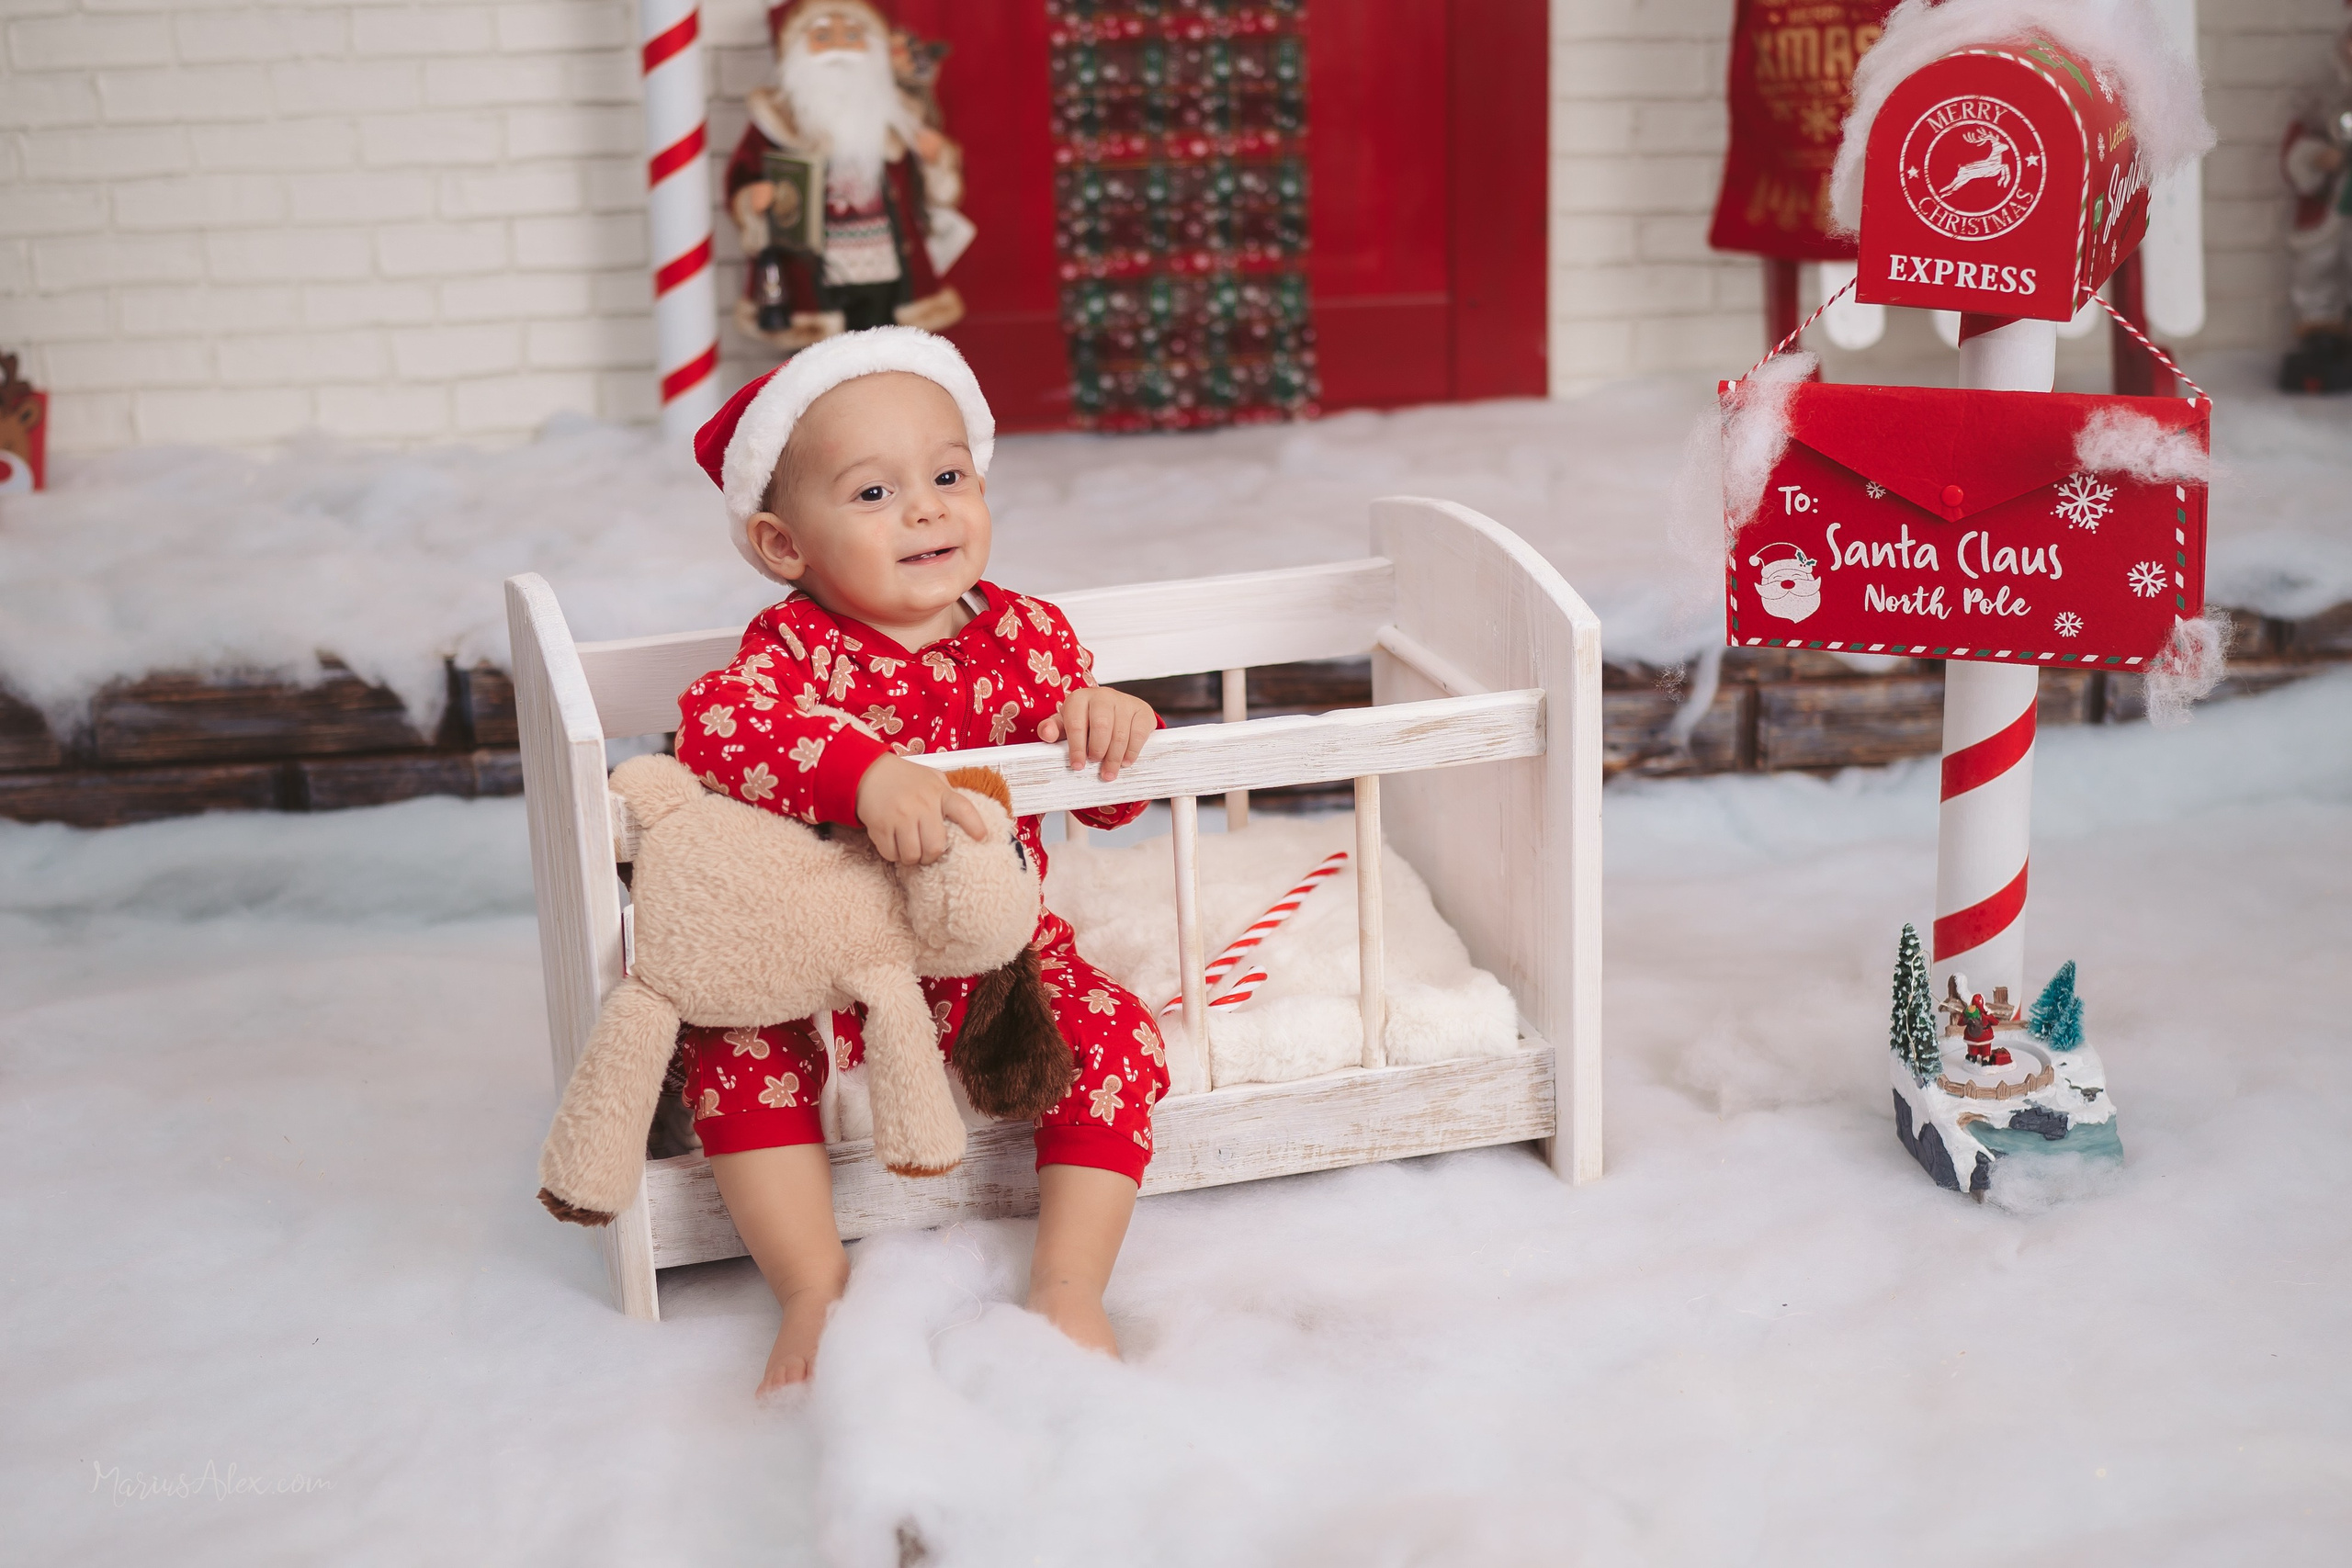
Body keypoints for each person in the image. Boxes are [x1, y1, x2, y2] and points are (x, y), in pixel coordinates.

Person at [673, 328, 1167, 1395]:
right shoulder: (793, 649)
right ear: (783, 544)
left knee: (1117, 1034)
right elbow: (719, 725)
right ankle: (812, 1286)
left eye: (948, 476)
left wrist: (1104, 720)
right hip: (836, 954)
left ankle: (1069, 1285)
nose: (927, 508)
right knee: (729, 1046)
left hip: (1001, 957)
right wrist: (862, 773)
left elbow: (1110, 802)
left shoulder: (1032, 637)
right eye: (873, 493)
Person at [726, 0, 971, 352]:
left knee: (889, 359)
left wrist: (936, 161)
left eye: (852, 35)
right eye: (822, 36)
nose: (838, 47)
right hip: (813, 278)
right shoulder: (776, 121)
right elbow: (742, 177)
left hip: (889, 270)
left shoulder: (897, 118)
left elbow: (935, 196)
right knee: (821, 373)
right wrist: (752, 199)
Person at [2280, 17, 2352, 392]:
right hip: (2334, 201)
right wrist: (2316, 157)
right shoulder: (2326, 96)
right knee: (2320, 262)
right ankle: (2322, 333)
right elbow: (2298, 142)